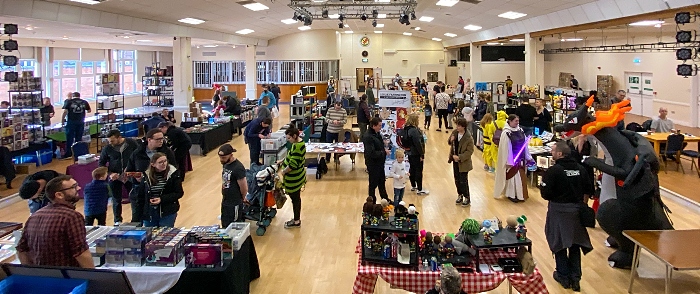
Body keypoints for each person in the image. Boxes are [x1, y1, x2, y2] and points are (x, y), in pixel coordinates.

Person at [540, 141, 594, 292]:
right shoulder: (581, 169)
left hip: (558, 211)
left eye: (553, 150)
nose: (551, 152)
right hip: (576, 212)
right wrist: (582, 205)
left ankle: (563, 276)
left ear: (559, 154)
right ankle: (576, 279)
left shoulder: (553, 171)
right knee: (575, 245)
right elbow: (588, 190)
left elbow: (545, 194)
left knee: (559, 244)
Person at [16, 175, 94, 268]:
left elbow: (21, 249)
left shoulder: (35, 216)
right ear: (59, 195)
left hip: (43, 277)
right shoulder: (71, 216)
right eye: (73, 186)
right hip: (67, 277)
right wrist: (94, 277)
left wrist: (33, 272)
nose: (79, 188)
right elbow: (81, 253)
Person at [126, 129, 176, 223]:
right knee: (139, 223)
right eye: (158, 139)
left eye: (162, 138)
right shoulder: (137, 153)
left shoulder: (167, 152)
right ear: (149, 140)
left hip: (162, 193)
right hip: (142, 195)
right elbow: (129, 171)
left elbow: (175, 171)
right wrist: (136, 179)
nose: (161, 141)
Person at [99, 129, 138, 225]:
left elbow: (139, 156)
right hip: (115, 177)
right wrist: (110, 173)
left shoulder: (131, 143)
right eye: (109, 141)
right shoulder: (107, 148)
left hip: (130, 176)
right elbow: (101, 163)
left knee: (134, 198)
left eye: (112, 141)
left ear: (119, 137)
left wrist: (132, 169)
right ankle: (117, 220)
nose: (110, 143)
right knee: (116, 200)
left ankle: (136, 220)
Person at [493, 114, 534, 202]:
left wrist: (528, 157)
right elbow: (506, 148)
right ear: (510, 121)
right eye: (516, 121)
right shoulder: (506, 133)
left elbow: (525, 145)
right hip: (512, 160)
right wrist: (509, 161)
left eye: (518, 121)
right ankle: (511, 194)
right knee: (512, 178)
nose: (517, 123)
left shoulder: (520, 130)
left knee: (521, 177)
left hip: (521, 159)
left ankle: (520, 195)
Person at [139, 153, 183, 227]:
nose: (164, 164)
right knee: (150, 235)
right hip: (150, 213)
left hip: (167, 212)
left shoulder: (173, 174)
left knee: (165, 235)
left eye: (165, 161)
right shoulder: (146, 176)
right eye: (160, 162)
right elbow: (140, 196)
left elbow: (179, 193)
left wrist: (161, 199)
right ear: (153, 164)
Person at [278, 127, 306, 228]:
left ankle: (296, 221)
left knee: (295, 200)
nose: (288, 140)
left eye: (289, 138)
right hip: (297, 177)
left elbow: (293, 165)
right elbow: (291, 156)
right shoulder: (296, 144)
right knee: (296, 199)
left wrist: (283, 172)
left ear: (294, 136)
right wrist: (282, 161)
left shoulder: (298, 147)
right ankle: (296, 219)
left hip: (294, 179)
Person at [218, 144, 248, 227]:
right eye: (220, 157)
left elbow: (244, 187)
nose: (221, 160)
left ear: (231, 155)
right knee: (225, 223)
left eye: (223, 158)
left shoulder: (238, 168)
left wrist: (242, 198)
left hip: (235, 202)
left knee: (233, 226)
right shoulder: (225, 163)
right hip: (225, 200)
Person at [448, 118, 474, 206]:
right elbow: (449, 142)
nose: (457, 127)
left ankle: (467, 197)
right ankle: (460, 194)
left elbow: (469, 152)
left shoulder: (468, 138)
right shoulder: (455, 133)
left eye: (459, 126)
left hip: (464, 163)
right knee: (457, 179)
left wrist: (459, 157)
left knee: (463, 180)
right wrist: (450, 140)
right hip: (455, 161)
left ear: (463, 127)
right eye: (457, 125)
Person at [363, 117, 390, 201]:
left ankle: (385, 199)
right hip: (373, 164)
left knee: (381, 182)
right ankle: (372, 201)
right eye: (379, 125)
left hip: (380, 162)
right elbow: (371, 153)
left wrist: (383, 150)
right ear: (373, 126)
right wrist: (384, 152)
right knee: (373, 184)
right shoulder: (368, 137)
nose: (380, 127)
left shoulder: (376, 133)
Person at [404, 113, 429, 195]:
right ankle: (420, 188)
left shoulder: (407, 129)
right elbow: (418, 143)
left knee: (412, 168)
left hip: (410, 152)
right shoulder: (414, 131)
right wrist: (422, 154)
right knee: (418, 170)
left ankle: (413, 185)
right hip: (416, 153)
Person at [61, 92, 91, 158]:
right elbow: (89, 110)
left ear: (73, 96)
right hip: (81, 122)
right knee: (79, 138)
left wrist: (62, 121)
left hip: (71, 122)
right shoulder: (84, 102)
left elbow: (65, 111)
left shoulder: (69, 102)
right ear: (79, 96)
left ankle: (68, 154)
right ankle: (78, 153)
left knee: (69, 138)